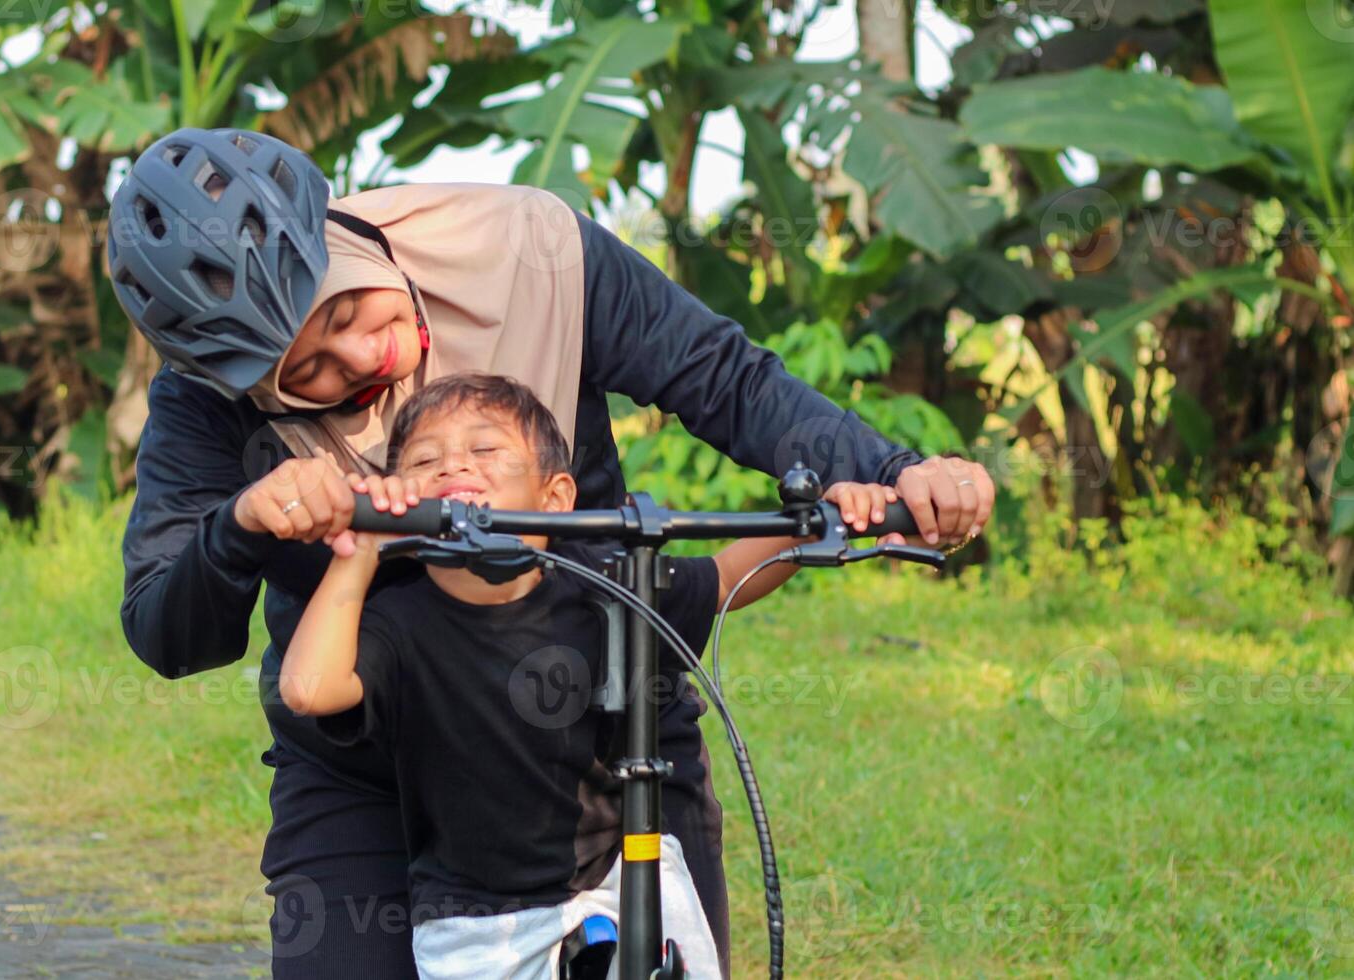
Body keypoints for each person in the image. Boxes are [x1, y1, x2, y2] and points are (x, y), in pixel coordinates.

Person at [110, 127, 995, 977]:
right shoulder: (206, 402)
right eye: (313, 375)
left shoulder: (527, 248)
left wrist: (890, 475)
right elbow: (166, 630)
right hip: (368, 760)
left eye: (349, 309)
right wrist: (239, 526)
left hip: (609, 724)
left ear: (343, 237)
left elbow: (721, 378)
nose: (365, 357)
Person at [278, 373, 903, 979]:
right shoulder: (398, 620)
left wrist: (823, 518)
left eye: (485, 450)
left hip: (617, 873)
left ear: (556, 499)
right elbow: (309, 689)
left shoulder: (603, 579)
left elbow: (720, 578)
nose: (452, 467)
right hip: (476, 916)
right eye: (424, 461)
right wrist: (358, 552)